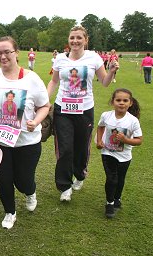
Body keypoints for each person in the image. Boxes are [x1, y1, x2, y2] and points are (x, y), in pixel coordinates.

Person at [0, 36, 50, 229]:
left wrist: (36, 120)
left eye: (7, 52)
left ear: (16, 53)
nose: (3, 56)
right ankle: (10, 212)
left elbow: (44, 106)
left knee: (23, 181)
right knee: (3, 179)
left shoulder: (32, 79)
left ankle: (30, 191)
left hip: (27, 141)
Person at [47, 25, 119, 202]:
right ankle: (64, 186)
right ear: (68, 40)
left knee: (81, 147)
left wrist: (111, 72)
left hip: (85, 110)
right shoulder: (60, 59)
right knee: (64, 148)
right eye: (72, 37)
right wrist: (44, 100)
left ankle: (79, 174)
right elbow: (53, 81)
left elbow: (104, 82)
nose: (75, 41)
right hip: (62, 109)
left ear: (86, 40)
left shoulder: (93, 58)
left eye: (79, 38)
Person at [96, 88, 142, 218]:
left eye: (125, 100)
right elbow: (100, 126)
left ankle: (117, 198)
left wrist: (125, 140)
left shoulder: (133, 121)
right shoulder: (106, 115)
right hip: (108, 153)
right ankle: (109, 203)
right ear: (113, 102)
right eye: (118, 100)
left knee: (120, 179)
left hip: (124, 156)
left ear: (130, 103)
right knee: (111, 179)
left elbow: (139, 141)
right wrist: (99, 141)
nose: (121, 103)